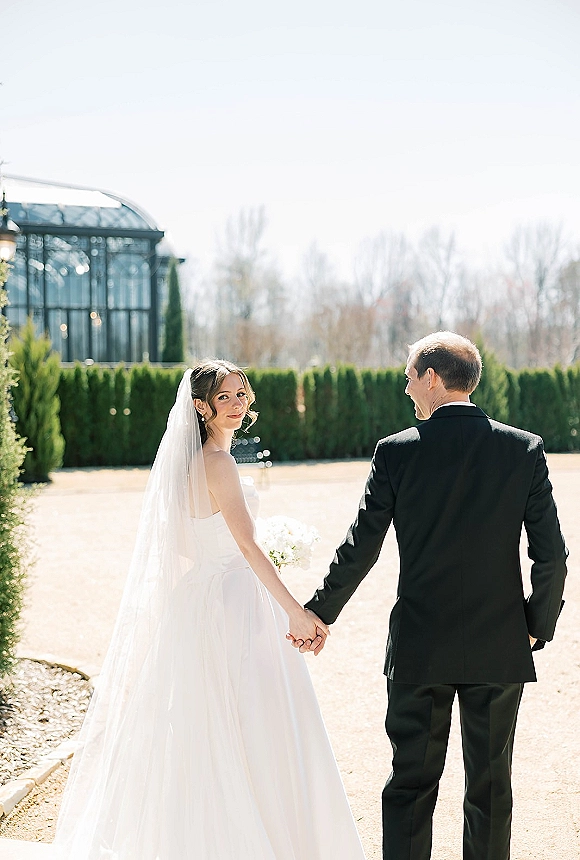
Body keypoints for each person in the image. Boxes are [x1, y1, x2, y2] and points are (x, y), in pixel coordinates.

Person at [55, 360, 366, 860]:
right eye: (225, 397)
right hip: (236, 601)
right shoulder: (219, 463)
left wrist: (226, 557)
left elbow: (184, 543)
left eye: (243, 393)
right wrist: (295, 611)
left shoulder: (193, 463)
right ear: (201, 406)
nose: (239, 403)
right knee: (253, 721)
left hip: (204, 596)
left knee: (214, 723)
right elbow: (245, 544)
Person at [296, 332, 567, 860]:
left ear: (433, 379)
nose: (406, 389)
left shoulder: (396, 452)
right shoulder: (523, 448)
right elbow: (551, 554)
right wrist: (537, 623)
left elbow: (361, 547)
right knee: (491, 788)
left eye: (408, 378)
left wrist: (317, 611)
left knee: (410, 786)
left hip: (421, 645)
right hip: (499, 643)